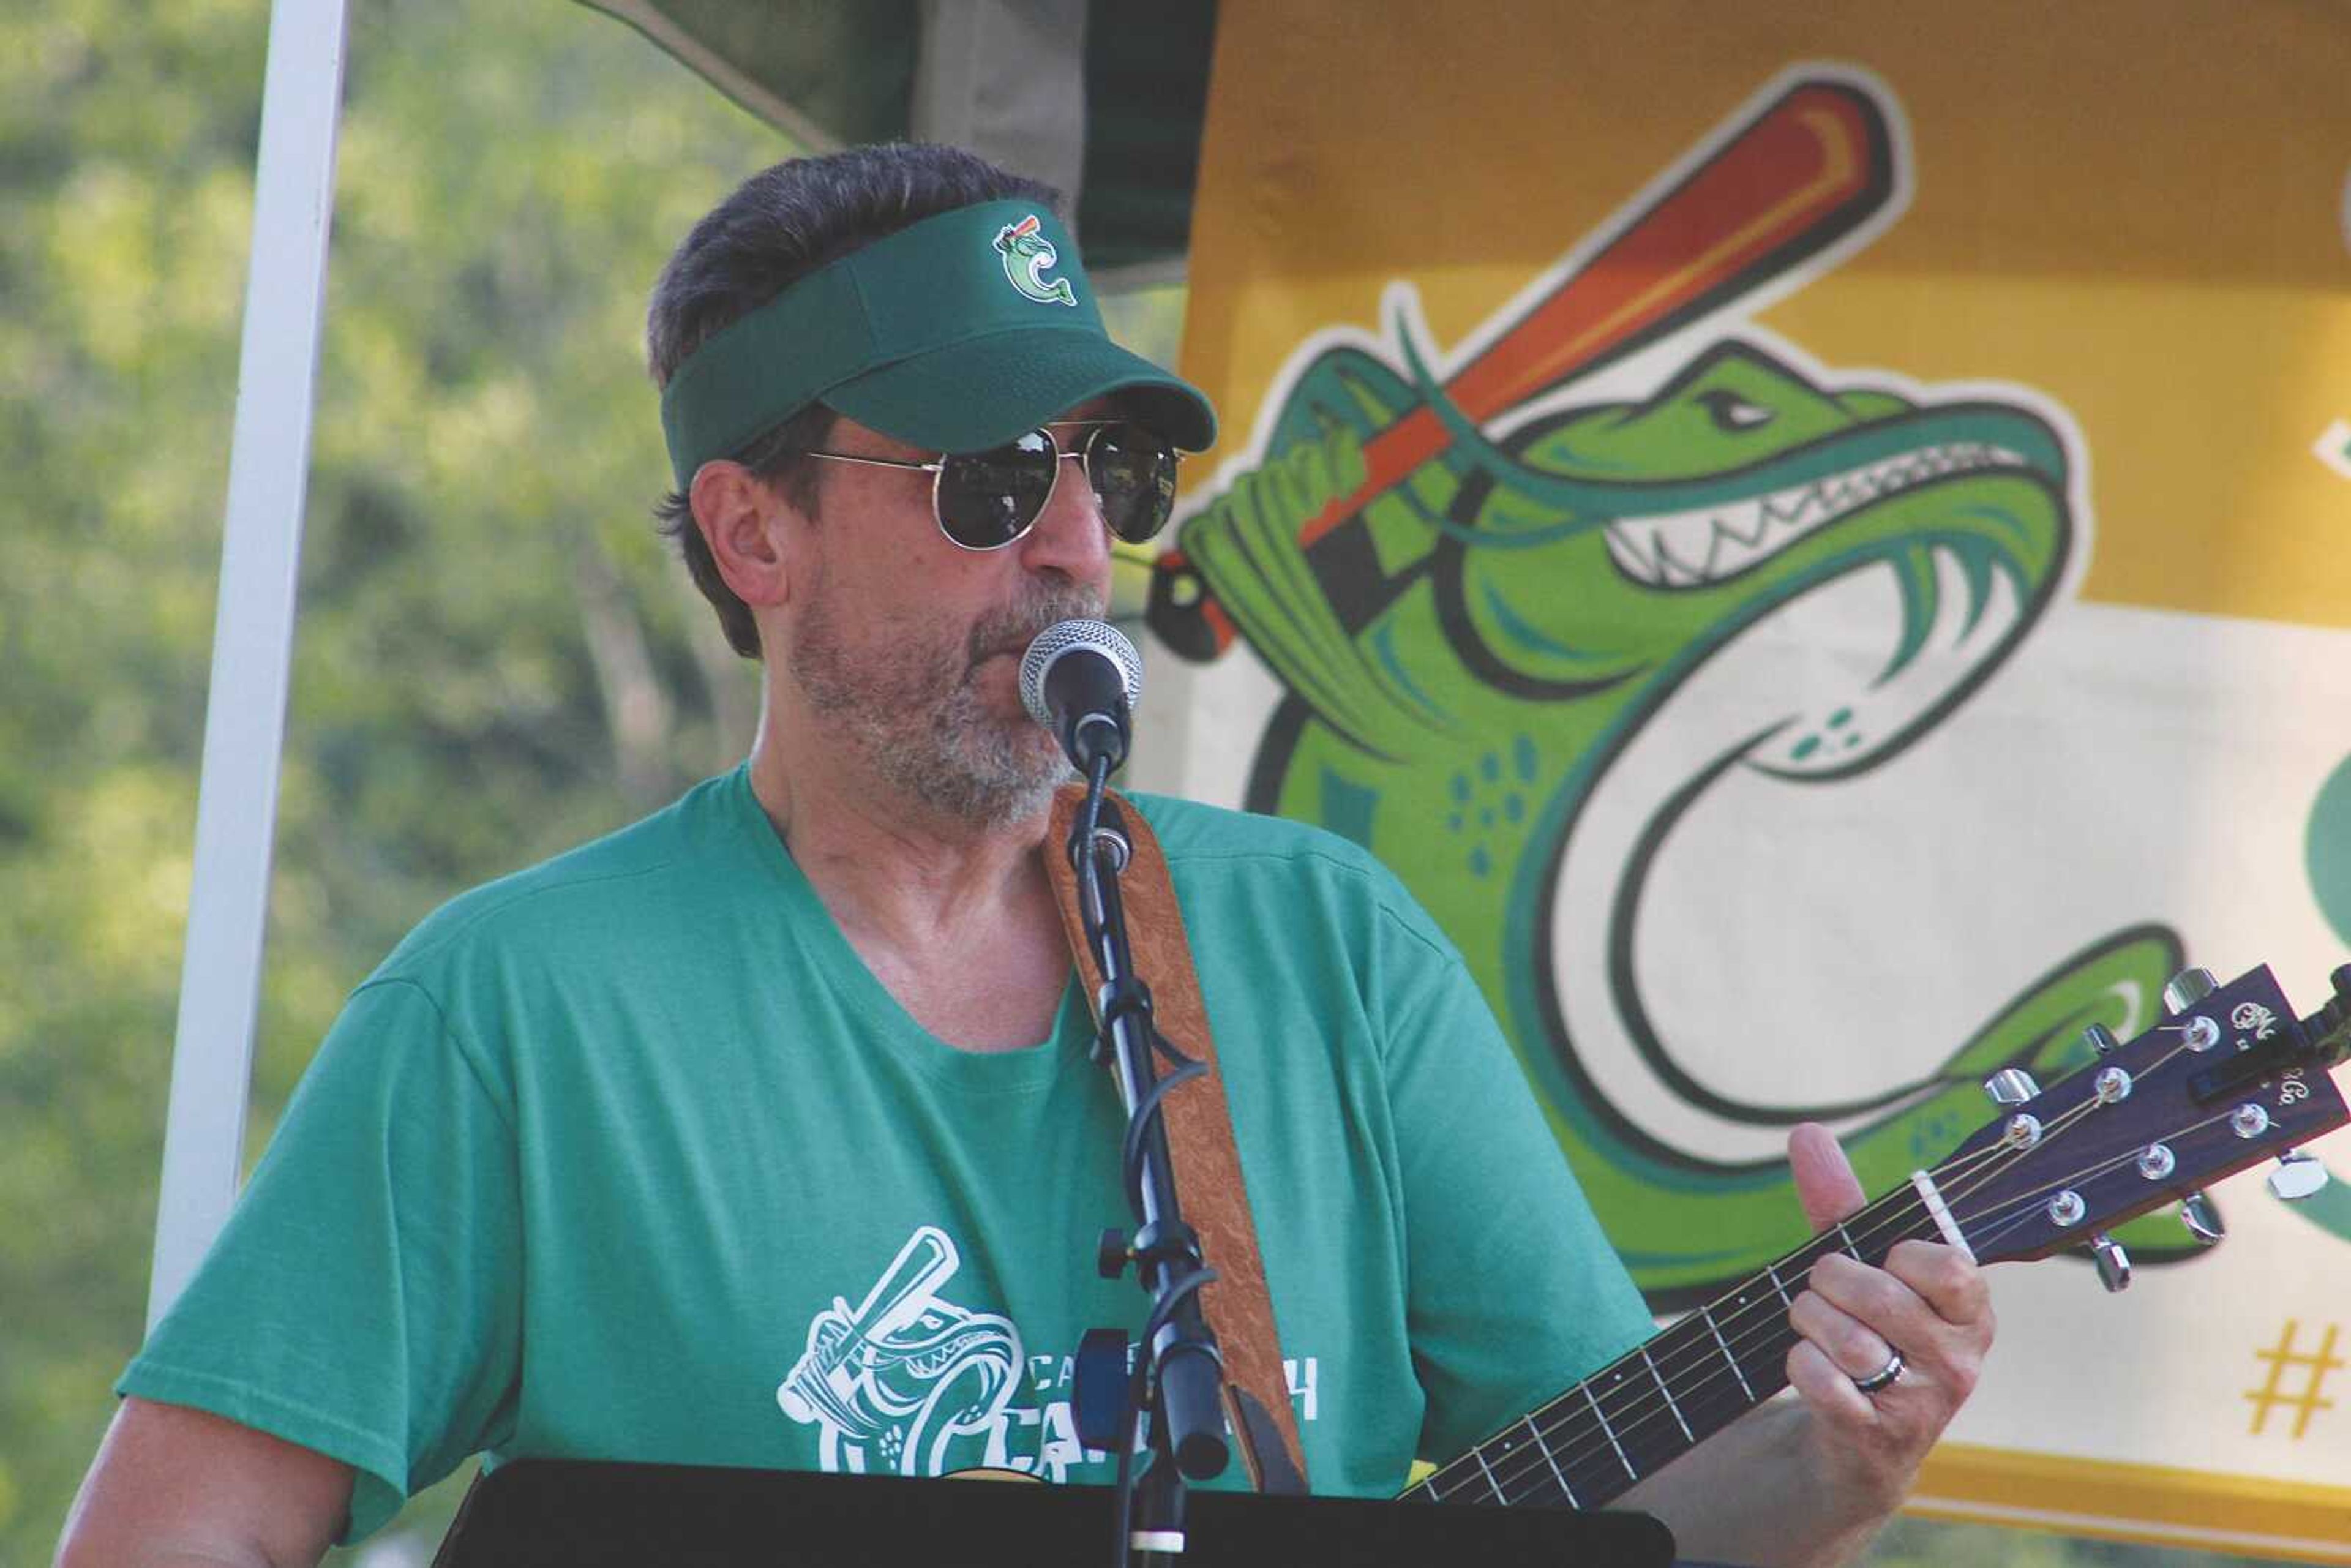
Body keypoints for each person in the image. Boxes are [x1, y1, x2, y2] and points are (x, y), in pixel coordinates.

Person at [56, 144, 1992, 1567]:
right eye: (992, 477)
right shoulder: (518, 1009)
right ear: (755, 534)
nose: (1077, 542)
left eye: (1113, 472)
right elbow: (169, 1536)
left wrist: (1834, 1464)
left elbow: (1620, 1510)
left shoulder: (1327, 953)